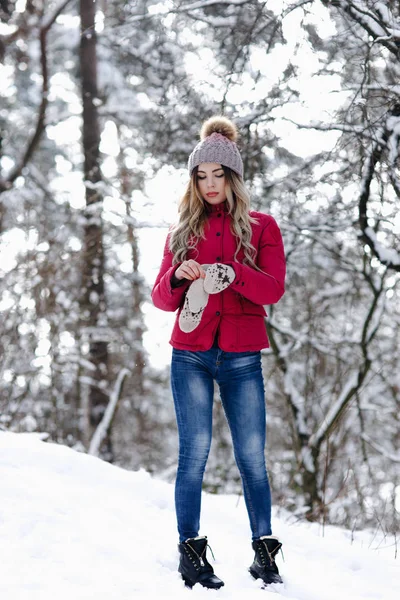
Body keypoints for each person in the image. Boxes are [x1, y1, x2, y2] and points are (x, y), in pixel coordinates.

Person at [151, 116, 286, 590]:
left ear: (234, 177)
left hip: (242, 354)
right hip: (189, 353)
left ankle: (264, 554)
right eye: (200, 176)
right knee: (195, 454)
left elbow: (272, 290)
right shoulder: (182, 232)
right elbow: (160, 298)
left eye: (218, 174)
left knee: (252, 456)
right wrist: (180, 277)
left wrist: (233, 272)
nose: (209, 185)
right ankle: (190, 551)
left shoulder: (263, 227)